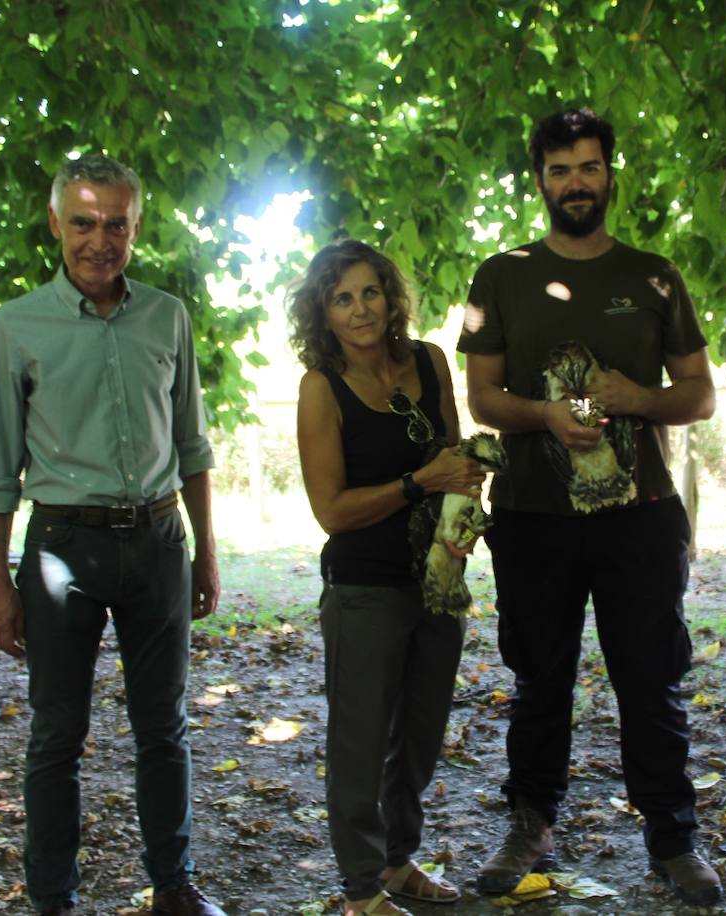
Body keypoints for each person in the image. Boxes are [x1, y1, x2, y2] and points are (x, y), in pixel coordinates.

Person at [457, 108, 721, 906]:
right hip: (534, 514)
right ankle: (530, 822)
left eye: (590, 167)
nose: (576, 182)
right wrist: (544, 417)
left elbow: (701, 395)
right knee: (541, 677)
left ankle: (672, 839)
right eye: (560, 169)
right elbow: (481, 396)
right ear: (539, 180)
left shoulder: (654, 276)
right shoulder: (498, 276)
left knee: (651, 677)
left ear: (611, 175)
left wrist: (637, 397)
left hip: (639, 513)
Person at [0, 154, 225, 916]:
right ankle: (53, 898)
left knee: (164, 728)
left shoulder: (166, 315)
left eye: (116, 223)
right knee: (56, 736)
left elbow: (192, 448)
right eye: (82, 221)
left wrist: (205, 551)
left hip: (157, 545)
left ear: (136, 227)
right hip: (61, 551)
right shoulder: (15, 327)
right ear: (56, 224)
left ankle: (174, 886)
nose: (99, 239)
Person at [291, 239, 486, 916]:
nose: (360, 309)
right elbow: (332, 512)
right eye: (341, 298)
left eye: (369, 291)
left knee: (422, 735)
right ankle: (360, 889)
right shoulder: (322, 389)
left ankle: (400, 862)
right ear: (324, 313)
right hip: (363, 587)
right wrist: (417, 482)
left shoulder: (430, 362)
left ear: (390, 295)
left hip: (436, 579)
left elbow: (456, 465)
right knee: (360, 741)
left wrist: (459, 519)